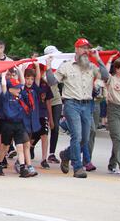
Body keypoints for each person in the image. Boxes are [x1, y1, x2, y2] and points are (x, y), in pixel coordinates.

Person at [45, 38, 110, 178]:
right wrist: (48, 67)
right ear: (76, 49)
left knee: (85, 139)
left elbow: (105, 77)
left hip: (87, 105)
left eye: (87, 48)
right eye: (83, 48)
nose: (86, 51)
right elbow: (51, 81)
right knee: (77, 135)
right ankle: (78, 166)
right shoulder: (66, 66)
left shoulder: (91, 67)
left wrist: (98, 59)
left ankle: (66, 154)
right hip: (71, 104)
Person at [0, 70, 38, 177]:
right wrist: (3, 76)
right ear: (10, 89)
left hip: (19, 124)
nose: (19, 89)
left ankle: (23, 168)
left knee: (20, 146)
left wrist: (19, 70)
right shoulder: (6, 97)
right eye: (16, 88)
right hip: (8, 125)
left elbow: (22, 84)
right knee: (5, 146)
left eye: (19, 88)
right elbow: (4, 86)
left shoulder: (20, 97)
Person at [43, 46, 64, 164]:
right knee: (42, 128)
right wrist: (47, 67)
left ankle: (51, 153)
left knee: (55, 127)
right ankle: (31, 146)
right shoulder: (42, 68)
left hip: (56, 100)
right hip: (44, 100)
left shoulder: (58, 69)